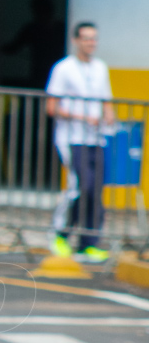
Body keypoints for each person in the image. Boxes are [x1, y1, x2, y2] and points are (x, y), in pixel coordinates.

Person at [45, 22, 113, 263]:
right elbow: (51, 107)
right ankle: (60, 233)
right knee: (79, 185)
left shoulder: (100, 68)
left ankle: (89, 242)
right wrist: (82, 117)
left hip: (96, 138)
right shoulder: (63, 69)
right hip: (71, 137)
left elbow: (107, 101)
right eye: (86, 38)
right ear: (75, 40)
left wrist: (109, 121)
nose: (91, 43)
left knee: (96, 189)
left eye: (94, 38)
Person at [2, 0, 67, 89]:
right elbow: (12, 48)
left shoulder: (60, 28)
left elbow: (12, 48)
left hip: (55, 71)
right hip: (38, 73)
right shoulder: (32, 28)